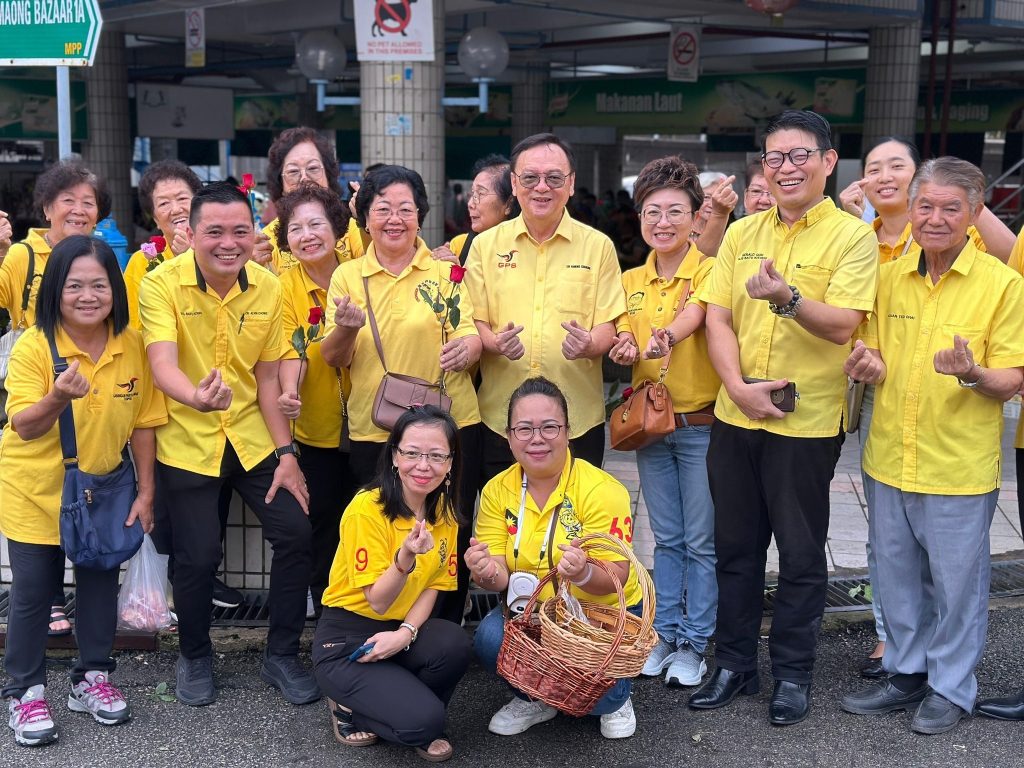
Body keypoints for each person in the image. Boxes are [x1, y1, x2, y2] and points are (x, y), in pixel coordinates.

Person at [689, 110, 877, 726]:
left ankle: (793, 673)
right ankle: (734, 663)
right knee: (735, 550)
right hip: (735, 417)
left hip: (806, 424)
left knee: (799, 555)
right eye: (775, 157)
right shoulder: (742, 232)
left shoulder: (852, 237)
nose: (786, 167)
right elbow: (717, 316)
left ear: (828, 161)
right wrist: (736, 388)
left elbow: (844, 323)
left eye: (799, 156)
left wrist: (787, 300)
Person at [839, 157, 1024, 735]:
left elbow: (1013, 377)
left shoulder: (1004, 285)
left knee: (957, 586)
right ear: (911, 210)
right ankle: (906, 671)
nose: (936, 218)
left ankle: (950, 688)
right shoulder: (888, 276)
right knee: (894, 577)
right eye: (926, 206)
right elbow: (869, 351)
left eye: (951, 208)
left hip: (958, 465)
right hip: (889, 455)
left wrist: (972, 373)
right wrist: (865, 364)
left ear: (974, 215)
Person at [139, 182, 317, 707]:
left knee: (296, 533)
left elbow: (266, 380)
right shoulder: (162, 285)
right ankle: (194, 655)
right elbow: (161, 365)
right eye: (213, 231)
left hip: (252, 437)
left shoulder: (268, 285)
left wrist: (287, 454)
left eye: (241, 230)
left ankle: (281, 654)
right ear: (189, 234)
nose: (228, 242)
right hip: (186, 438)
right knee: (196, 557)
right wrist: (195, 396)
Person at [0, 236, 166, 746]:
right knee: (32, 591)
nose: (88, 295)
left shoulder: (131, 343)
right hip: (34, 488)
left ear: (115, 289)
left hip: (103, 489)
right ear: (56, 290)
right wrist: (56, 396)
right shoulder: (34, 344)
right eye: (75, 285)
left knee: (98, 581)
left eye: (99, 284)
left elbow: (145, 422)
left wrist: (145, 492)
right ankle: (25, 691)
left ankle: (93, 678)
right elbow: (23, 425)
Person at [320, 165, 482, 625]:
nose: (394, 218)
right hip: (379, 428)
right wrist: (347, 328)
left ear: (420, 215)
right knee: (381, 529)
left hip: (449, 426)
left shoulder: (447, 273)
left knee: (449, 528)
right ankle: (380, 626)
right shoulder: (349, 276)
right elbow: (333, 358)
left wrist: (465, 349)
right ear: (365, 218)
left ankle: (443, 630)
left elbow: (471, 338)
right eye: (382, 209)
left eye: (405, 209)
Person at [466, 377, 643, 740]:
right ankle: (535, 698)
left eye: (549, 427)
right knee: (488, 637)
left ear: (568, 431)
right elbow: (498, 576)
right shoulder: (498, 490)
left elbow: (618, 577)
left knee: (596, 705)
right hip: (534, 612)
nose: (537, 438)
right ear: (508, 435)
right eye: (525, 428)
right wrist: (485, 572)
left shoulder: (601, 489)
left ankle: (616, 697)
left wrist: (581, 573)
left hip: (596, 615)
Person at [609, 156, 720, 688]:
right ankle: (666, 634)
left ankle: (696, 643)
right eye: (653, 211)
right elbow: (618, 337)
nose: (663, 222)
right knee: (667, 538)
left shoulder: (711, 270)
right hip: (651, 428)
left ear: (696, 217)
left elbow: (693, 316)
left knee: (702, 541)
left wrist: (665, 336)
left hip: (701, 425)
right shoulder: (630, 280)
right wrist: (623, 342)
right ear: (640, 217)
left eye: (676, 211)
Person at [313, 406, 471, 762]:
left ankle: (400, 708)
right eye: (412, 453)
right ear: (394, 456)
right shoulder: (366, 509)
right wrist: (405, 558)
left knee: (455, 643)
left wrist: (406, 633)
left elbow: (434, 585)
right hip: (347, 640)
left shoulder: (444, 510)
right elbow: (379, 602)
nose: (423, 465)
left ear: (450, 463)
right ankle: (349, 707)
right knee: (425, 722)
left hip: (397, 632)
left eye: (436, 456)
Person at [464, 133, 625, 478]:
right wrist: (493, 343)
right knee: (502, 526)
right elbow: (471, 320)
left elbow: (608, 325)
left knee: (572, 529)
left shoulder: (598, 247)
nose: (541, 187)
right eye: (530, 177)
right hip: (501, 420)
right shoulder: (484, 246)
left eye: (554, 178)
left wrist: (589, 344)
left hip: (577, 422)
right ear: (514, 183)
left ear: (570, 185)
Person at [125, 160, 244, 611]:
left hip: (224, 405)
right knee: (170, 500)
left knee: (215, 499)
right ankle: (174, 587)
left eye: (182, 199)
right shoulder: (145, 265)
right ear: (152, 215)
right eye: (163, 203)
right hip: (161, 403)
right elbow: (139, 331)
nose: (174, 208)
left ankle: (201, 580)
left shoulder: (229, 252)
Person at [0, 158, 111, 637]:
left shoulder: (101, 252)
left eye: (88, 202)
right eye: (68, 200)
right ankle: (46, 603)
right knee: (40, 458)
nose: (79, 209)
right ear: (46, 207)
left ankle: (91, 666)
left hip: (92, 377)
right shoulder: (24, 256)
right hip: (34, 363)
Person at [274, 183, 358, 618]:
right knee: (323, 523)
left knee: (366, 519)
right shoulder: (283, 286)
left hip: (369, 421)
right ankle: (328, 614)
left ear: (338, 229)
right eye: (295, 228)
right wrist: (289, 391)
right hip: (316, 427)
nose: (306, 235)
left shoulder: (360, 273)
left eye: (315, 224)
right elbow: (290, 349)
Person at [260, 126, 368, 272]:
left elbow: (374, 266)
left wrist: (369, 218)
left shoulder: (354, 225)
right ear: (280, 182)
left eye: (312, 168)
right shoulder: (268, 239)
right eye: (293, 171)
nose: (304, 178)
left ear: (328, 175)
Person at [433, 154, 520, 265]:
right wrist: (448, 270)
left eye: (480, 193)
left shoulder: (526, 248)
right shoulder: (459, 245)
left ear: (508, 204)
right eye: (472, 194)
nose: (470, 204)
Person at [690, 170, 738, 258]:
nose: (713, 204)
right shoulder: (682, 228)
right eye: (707, 197)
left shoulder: (733, 231)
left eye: (720, 197)